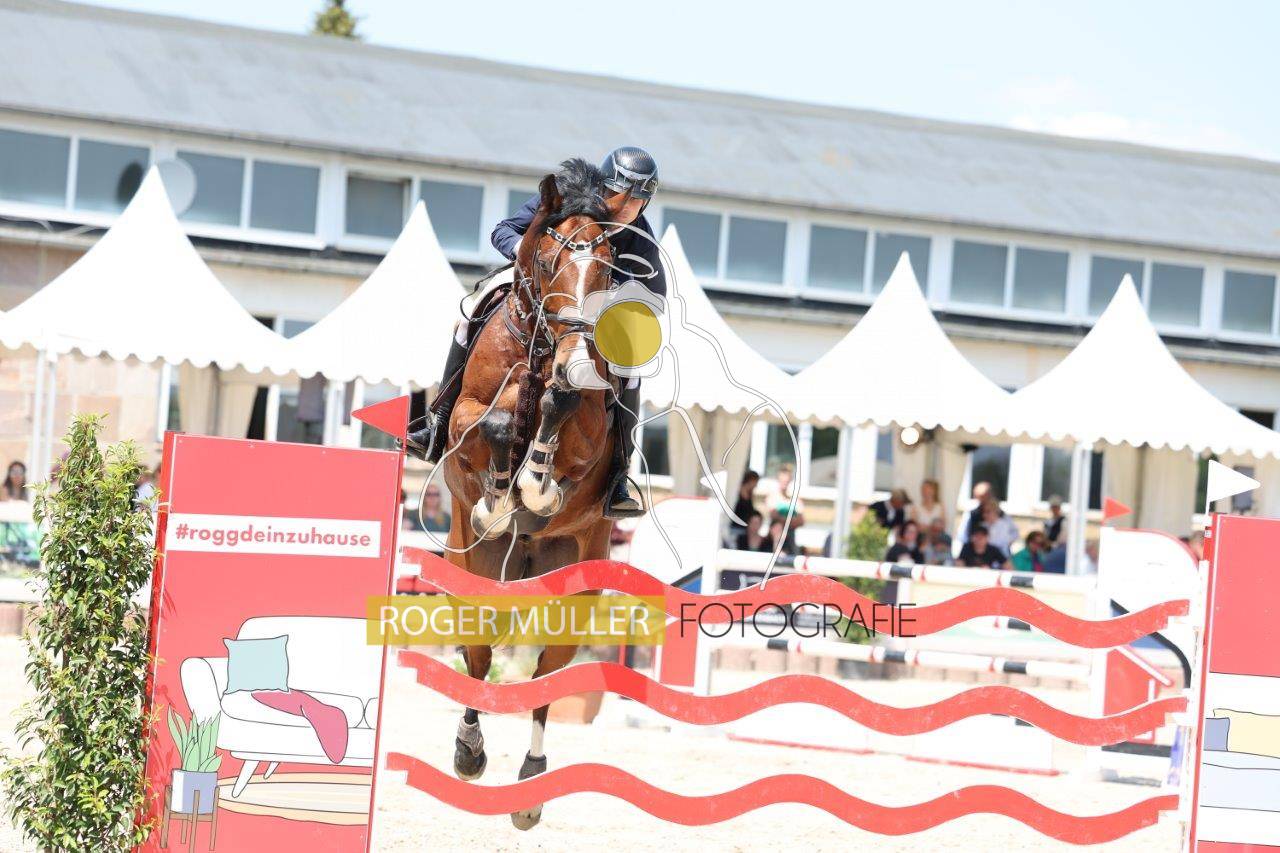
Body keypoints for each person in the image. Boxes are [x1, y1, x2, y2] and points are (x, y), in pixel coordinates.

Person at [406, 148, 664, 522]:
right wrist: (530, 256)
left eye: (637, 202)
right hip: (535, 283)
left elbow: (655, 292)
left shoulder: (639, 235)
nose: (626, 208)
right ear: (602, 188)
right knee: (469, 313)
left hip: (591, 311)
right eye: (619, 196)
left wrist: (607, 290)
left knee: (631, 364)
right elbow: (503, 231)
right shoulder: (565, 198)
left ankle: (620, 471)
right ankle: (436, 421)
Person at [727, 470, 760, 546]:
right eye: (756, 482)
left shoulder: (750, 494)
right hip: (735, 527)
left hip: (745, 529)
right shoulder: (737, 492)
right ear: (751, 480)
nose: (756, 485)